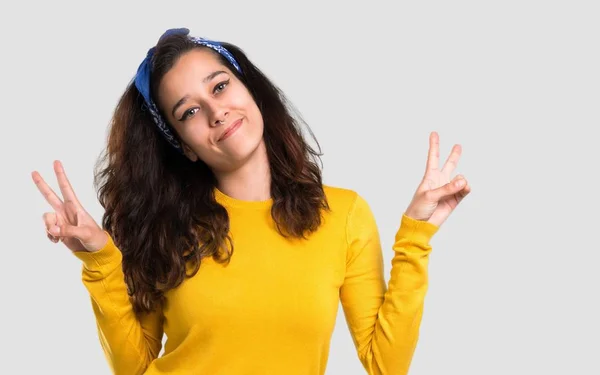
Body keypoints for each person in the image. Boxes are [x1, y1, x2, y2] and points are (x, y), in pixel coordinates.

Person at [32, 28, 470, 375]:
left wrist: (416, 235)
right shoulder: (168, 228)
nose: (215, 111)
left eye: (219, 87)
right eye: (188, 112)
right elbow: (134, 367)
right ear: (182, 144)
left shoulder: (344, 216)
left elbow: (385, 364)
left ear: (250, 90)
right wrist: (99, 259)